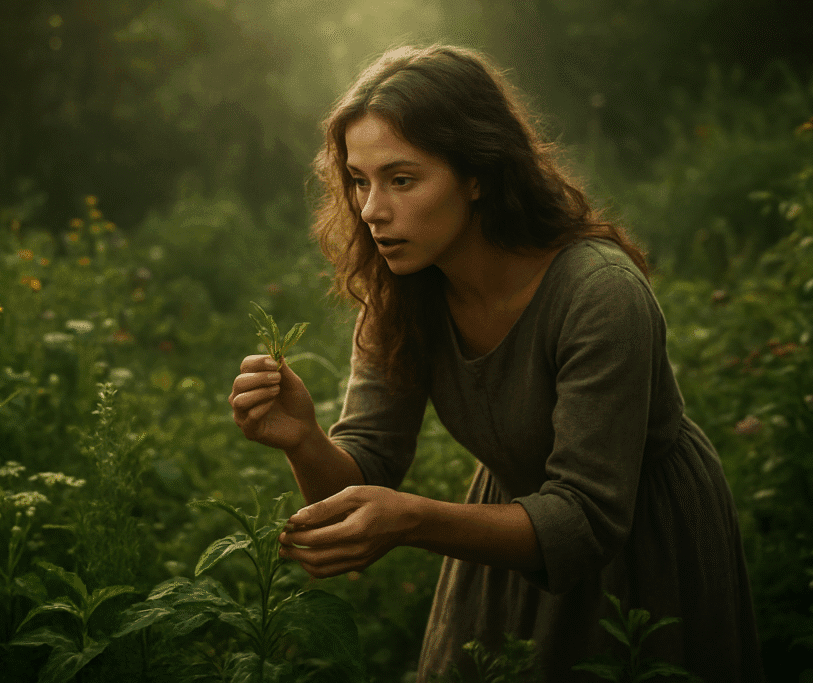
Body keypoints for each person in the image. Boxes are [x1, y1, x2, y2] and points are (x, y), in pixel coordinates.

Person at [229, 44, 763, 682]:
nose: (372, 209)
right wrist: (303, 438)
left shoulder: (599, 293)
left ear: (477, 174)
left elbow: (588, 519)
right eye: (359, 180)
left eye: (402, 179)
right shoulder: (404, 291)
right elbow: (360, 473)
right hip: (501, 537)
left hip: (642, 546)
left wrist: (415, 520)